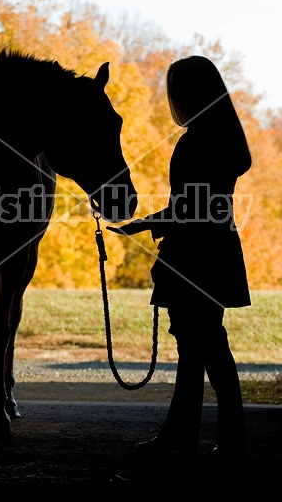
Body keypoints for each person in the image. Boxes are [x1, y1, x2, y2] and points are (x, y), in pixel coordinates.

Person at [107, 55, 252, 458]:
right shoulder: (222, 137)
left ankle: (191, 437)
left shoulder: (197, 140)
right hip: (214, 252)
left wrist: (141, 225)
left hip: (193, 257)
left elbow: (187, 209)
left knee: (201, 349)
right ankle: (207, 437)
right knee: (202, 348)